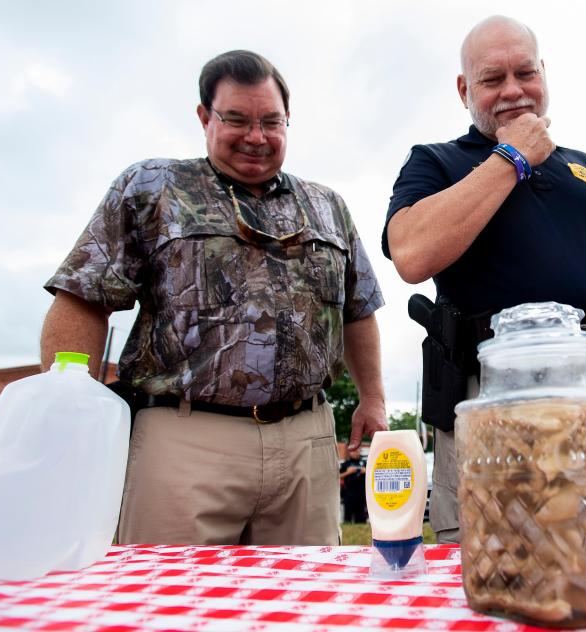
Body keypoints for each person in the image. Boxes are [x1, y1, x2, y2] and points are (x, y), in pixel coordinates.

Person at [40, 50, 388, 545]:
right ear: (205, 117)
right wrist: (64, 404)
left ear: (288, 121)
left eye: (271, 121)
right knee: (165, 606)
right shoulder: (152, 187)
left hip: (305, 440)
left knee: (302, 609)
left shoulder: (328, 206)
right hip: (185, 439)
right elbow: (83, 296)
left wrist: (372, 397)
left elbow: (359, 309)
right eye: (237, 119)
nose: (256, 136)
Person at [382, 16, 586, 543]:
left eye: (524, 73)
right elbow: (411, 255)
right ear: (464, 90)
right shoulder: (436, 162)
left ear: (544, 74)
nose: (512, 90)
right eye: (491, 79)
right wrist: (512, 158)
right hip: (495, 385)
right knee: (508, 557)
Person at [339, 448, 368, 524]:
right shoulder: (346, 463)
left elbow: (374, 476)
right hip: (349, 494)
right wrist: (348, 472)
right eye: (354, 451)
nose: (356, 453)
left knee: (361, 519)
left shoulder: (365, 463)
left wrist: (366, 471)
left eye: (358, 451)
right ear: (350, 452)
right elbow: (338, 477)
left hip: (362, 494)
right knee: (347, 519)